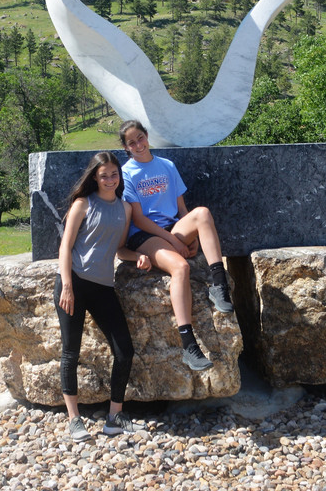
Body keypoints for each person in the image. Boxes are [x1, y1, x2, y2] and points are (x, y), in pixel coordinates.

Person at [118, 119, 234, 372]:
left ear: (147, 136)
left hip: (173, 228)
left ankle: (219, 286)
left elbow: (182, 210)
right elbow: (138, 218)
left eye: (140, 137)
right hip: (145, 235)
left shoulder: (167, 166)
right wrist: (172, 241)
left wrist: (190, 239)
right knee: (181, 267)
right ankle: (188, 346)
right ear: (126, 148)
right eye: (131, 142)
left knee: (201, 213)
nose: (138, 144)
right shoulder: (127, 173)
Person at [55, 151, 152, 442]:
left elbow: (119, 249)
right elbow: (64, 247)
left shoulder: (124, 209)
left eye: (114, 174)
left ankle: (114, 417)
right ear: (95, 177)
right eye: (104, 175)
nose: (110, 179)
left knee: (124, 350)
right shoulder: (82, 204)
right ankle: (74, 420)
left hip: (102, 286)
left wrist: (138, 257)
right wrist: (67, 285)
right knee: (70, 351)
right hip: (73, 282)